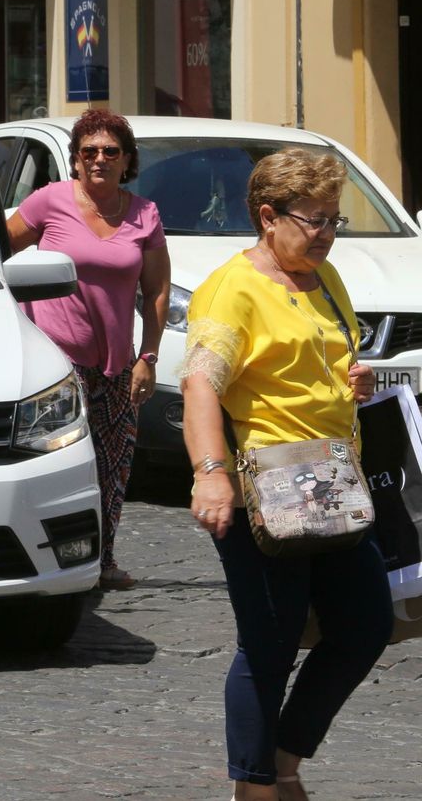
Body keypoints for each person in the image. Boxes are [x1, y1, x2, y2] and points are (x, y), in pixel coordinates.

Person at [180, 148, 387, 801]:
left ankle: (285, 754)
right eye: (314, 220)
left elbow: (324, 357)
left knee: (365, 627)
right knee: (268, 647)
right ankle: (257, 785)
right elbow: (199, 387)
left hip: (332, 485)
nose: (326, 234)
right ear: (268, 217)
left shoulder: (324, 278)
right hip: (262, 494)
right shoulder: (233, 289)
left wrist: (357, 379)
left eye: (334, 221)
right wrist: (210, 473)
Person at [5, 108, 170, 591]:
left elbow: (157, 291)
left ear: (126, 160)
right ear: (75, 160)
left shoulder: (144, 215)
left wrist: (149, 357)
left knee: (112, 467)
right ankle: (51, 558)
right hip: (59, 363)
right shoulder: (49, 202)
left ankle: (104, 560)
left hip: (117, 365)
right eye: (88, 151)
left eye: (110, 151)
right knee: (59, 464)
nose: (99, 159)